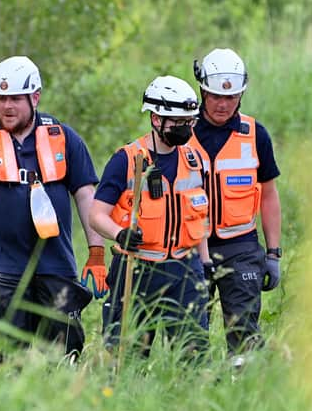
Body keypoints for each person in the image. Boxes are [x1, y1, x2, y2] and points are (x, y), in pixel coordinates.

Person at [0, 56, 105, 358]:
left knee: (63, 354)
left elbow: (86, 196)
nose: (7, 106)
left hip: (55, 265)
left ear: (36, 96)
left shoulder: (65, 138)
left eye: (16, 98)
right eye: (1, 98)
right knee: (4, 357)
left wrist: (96, 253)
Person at [89, 75, 211, 358]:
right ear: (156, 119)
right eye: (179, 123)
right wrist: (120, 234)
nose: (187, 129)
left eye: (189, 122)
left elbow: (199, 219)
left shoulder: (194, 160)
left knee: (193, 355)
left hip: (184, 271)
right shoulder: (126, 160)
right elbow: (97, 214)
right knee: (127, 356)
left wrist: (205, 264)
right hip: (136, 270)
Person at [188, 48, 282, 357]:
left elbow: (268, 195)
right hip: (187, 247)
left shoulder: (256, 136)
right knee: (190, 333)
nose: (222, 104)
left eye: (230, 97)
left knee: (244, 332)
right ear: (203, 90)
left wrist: (273, 253)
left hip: (240, 247)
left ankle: (244, 388)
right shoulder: (180, 132)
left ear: (241, 94)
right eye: (215, 96)